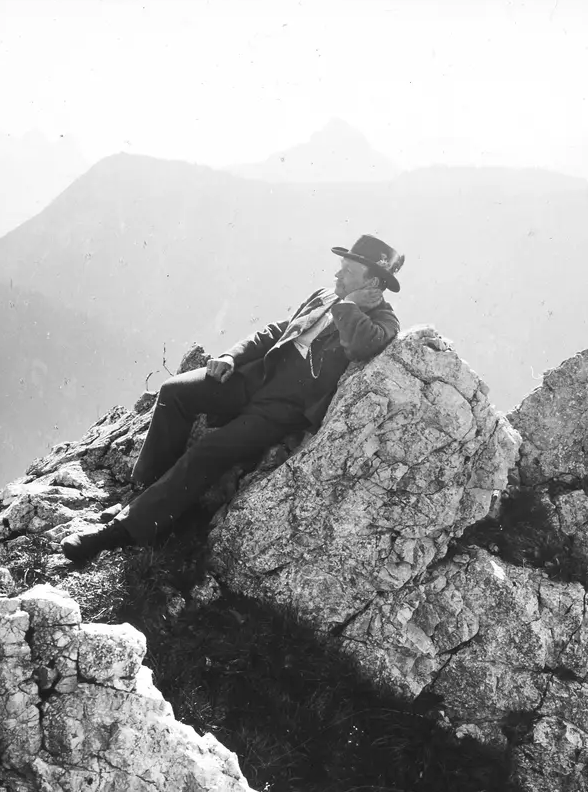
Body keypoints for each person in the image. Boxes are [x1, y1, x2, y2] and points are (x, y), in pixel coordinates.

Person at [61, 234, 405, 563]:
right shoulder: (324, 296)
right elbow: (277, 331)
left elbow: (361, 345)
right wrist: (230, 356)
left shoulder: (384, 321)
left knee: (209, 452)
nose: (336, 274)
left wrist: (348, 306)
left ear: (372, 283)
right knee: (174, 393)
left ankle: (120, 532)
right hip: (253, 379)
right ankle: (145, 492)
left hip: (280, 412)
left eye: (347, 271)